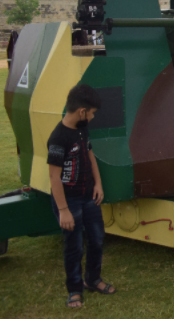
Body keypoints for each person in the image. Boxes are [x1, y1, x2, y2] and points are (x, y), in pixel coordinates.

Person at [47, 84, 116, 309]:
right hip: (69, 202)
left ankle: (93, 279)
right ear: (82, 112)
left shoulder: (82, 128)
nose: (94, 117)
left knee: (97, 238)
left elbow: (89, 154)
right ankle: (74, 290)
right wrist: (64, 210)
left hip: (88, 197)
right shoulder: (58, 138)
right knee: (74, 246)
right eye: (93, 112)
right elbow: (54, 178)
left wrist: (98, 183)